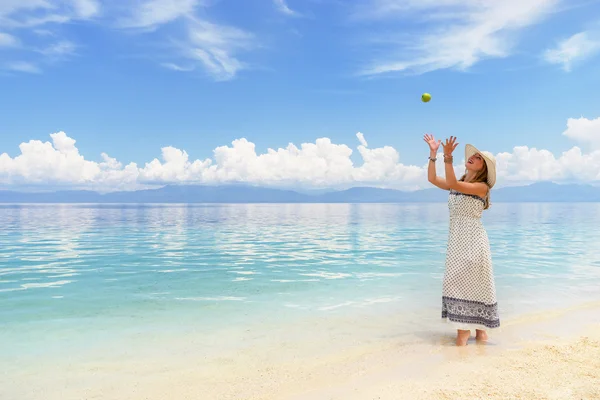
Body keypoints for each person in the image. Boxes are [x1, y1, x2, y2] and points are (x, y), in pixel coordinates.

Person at [423, 134, 500, 346]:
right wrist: (433, 154)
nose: (473, 158)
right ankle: (480, 342)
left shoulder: (482, 187)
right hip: (457, 244)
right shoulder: (457, 183)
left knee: (461, 286)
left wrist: (448, 158)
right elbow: (432, 179)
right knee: (467, 288)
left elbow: (452, 182)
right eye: (472, 156)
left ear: (483, 168)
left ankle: (462, 348)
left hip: (473, 244)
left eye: (478, 158)